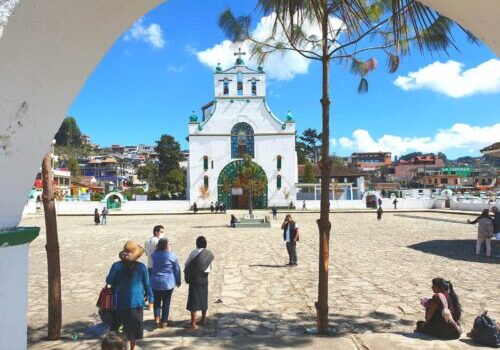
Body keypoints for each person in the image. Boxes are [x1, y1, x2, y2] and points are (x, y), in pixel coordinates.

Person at [106, 241, 153, 350]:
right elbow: (147, 285)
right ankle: (132, 348)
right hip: (136, 303)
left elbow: (109, 280)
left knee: (117, 330)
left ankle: (119, 347)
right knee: (133, 332)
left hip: (119, 303)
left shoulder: (116, 266)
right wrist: (150, 299)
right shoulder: (141, 267)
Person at [184, 236, 214, 329]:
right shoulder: (209, 254)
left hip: (194, 278)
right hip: (204, 278)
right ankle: (203, 319)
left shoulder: (194, 252)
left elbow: (187, 264)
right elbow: (210, 267)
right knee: (203, 298)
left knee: (193, 299)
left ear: (197, 244)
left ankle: (193, 322)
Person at [151, 238, 181, 328]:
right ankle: (164, 321)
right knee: (166, 302)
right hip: (168, 282)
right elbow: (177, 270)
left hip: (155, 281)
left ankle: (156, 318)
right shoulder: (172, 256)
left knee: (156, 301)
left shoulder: (154, 255)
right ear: (166, 245)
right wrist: (178, 280)